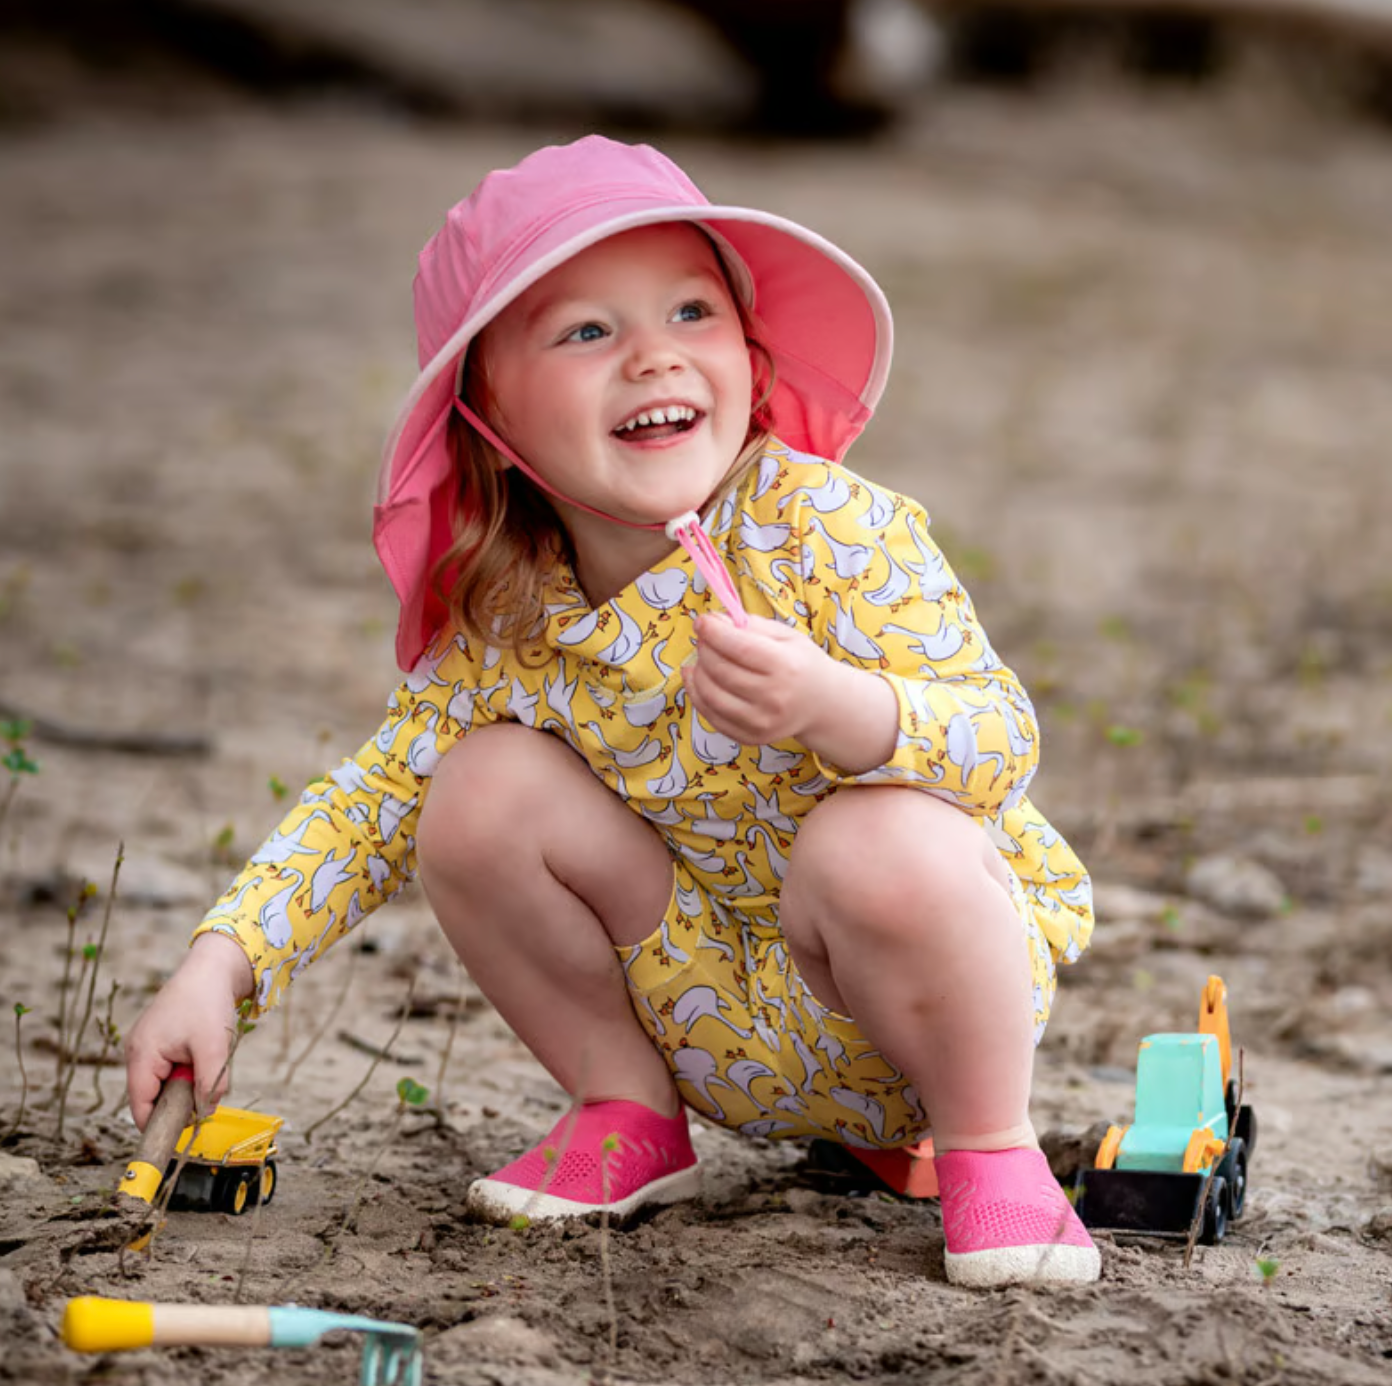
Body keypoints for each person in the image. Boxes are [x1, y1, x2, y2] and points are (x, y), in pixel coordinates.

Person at [124, 135, 1099, 1287]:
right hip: (710, 1015)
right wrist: (219, 967)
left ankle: (992, 1153)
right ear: (486, 416)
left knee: (870, 836)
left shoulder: (829, 529)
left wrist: (839, 707)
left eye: (690, 311)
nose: (651, 358)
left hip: (929, 1005)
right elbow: (369, 804)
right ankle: (626, 1111)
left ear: (749, 349)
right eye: (587, 331)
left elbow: (1002, 744)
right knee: (473, 792)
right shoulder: (512, 618)